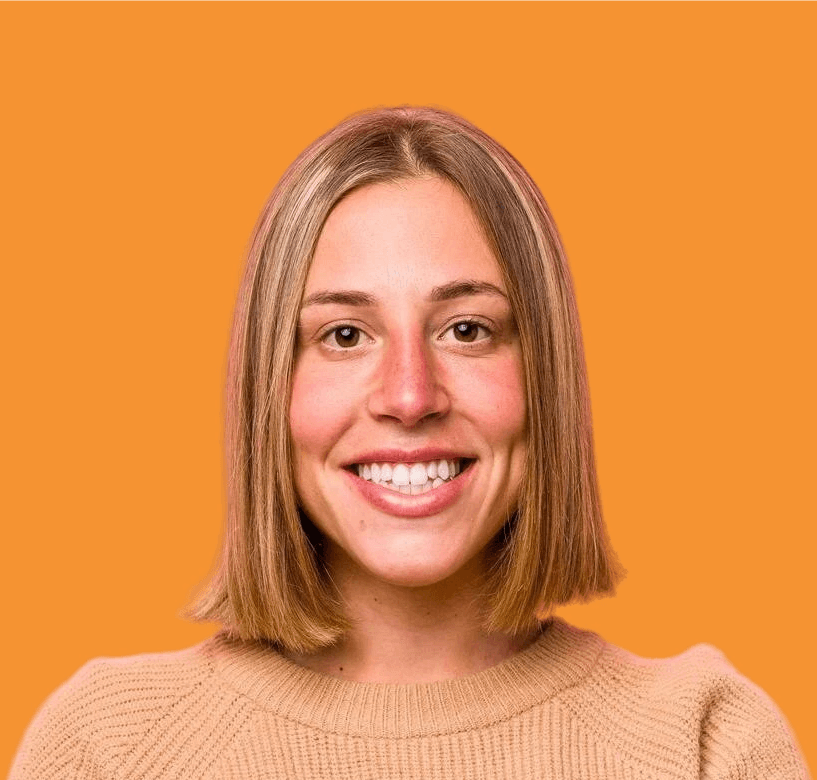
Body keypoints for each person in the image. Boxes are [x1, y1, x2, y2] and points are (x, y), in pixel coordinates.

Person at [10, 106, 808, 779]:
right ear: (268, 388)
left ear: (545, 381)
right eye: (344, 334)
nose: (408, 396)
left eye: (466, 329)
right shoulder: (109, 749)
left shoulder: (703, 742)